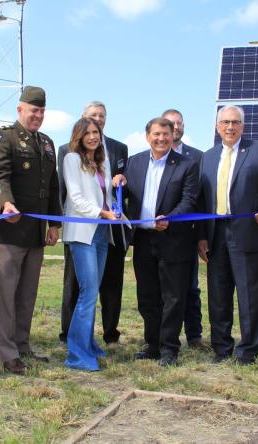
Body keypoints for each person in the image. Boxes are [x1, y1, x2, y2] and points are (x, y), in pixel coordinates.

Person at [0, 86, 62, 375]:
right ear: (20, 110)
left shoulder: (46, 142)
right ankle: (7, 353)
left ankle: (22, 344)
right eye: (33, 110)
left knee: (27, 293)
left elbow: (52, 186)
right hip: (9, 229)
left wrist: (54, 223)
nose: (38, 116)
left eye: (42, 111)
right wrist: (6, 203)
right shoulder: (3, 137)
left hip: (35, 232)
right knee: (6, 293)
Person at [198, 105, 258, 365]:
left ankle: (247, 352)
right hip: (215, 234)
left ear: (243, 126)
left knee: (249, 296)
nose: (230, 127)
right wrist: (201, 236)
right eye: (225, 122)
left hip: (248, 231)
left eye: (235, 122)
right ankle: (222, 349)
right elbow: (202, 200)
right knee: (218, 295)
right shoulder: (207, 157)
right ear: (217, 126)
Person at [123, 117, 198, 367]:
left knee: (173, 297)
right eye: (156, 134)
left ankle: (169, 349)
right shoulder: (134, 163)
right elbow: (125, 197)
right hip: (143, 239)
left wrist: (171, 219)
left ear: (172, 135)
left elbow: (189, 200)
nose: (161, 139)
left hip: (173, 240)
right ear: (148, 136)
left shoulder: (187, 165)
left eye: (166, 134)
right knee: (147, 296)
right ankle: (152, 344)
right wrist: (117, 182)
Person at [57, 101, 128, 349]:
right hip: (82, 233)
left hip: (102, 234)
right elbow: (75, 199)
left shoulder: (103, 161)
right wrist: (102, 213)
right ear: (79, 135)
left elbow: (106, 196)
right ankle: (77, 350)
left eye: (95, 132)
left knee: (93, 291)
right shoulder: (71, 159)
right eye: (87, 132)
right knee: (87, 293)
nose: (92, 136)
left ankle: (86, 342)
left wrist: (117, 183)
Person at [161, 109, 208, 351]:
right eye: (171, 123)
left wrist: (201, 236)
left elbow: (200, 201)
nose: (175, 127)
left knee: (190, 287)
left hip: (186, 234)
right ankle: (163, 336)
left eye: (179, 123)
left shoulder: (198, 157)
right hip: (159, 233)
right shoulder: (152, 156)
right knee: (163, 289)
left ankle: (194, 336)